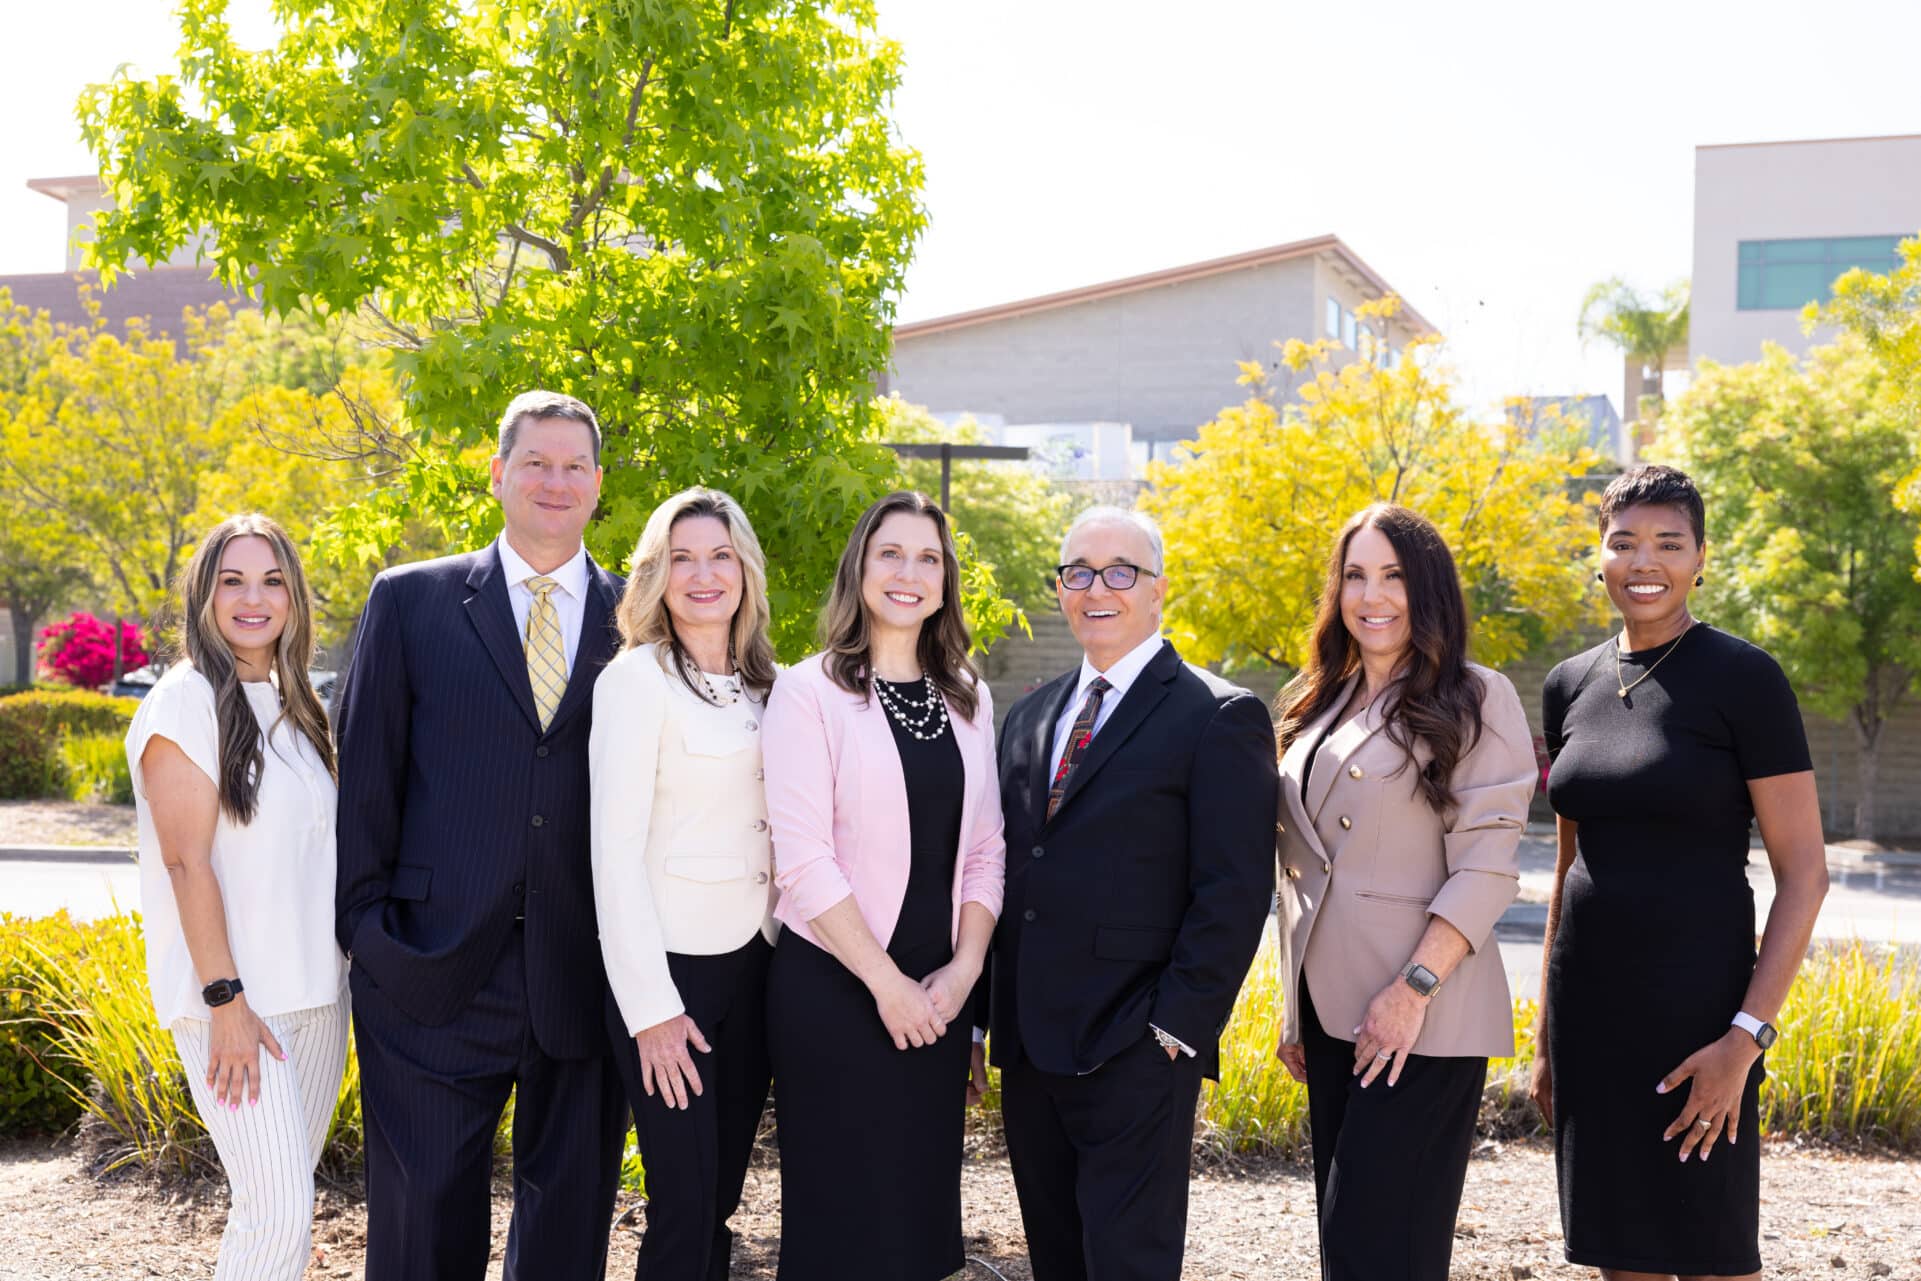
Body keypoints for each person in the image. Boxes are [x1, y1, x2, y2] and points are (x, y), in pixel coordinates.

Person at [334, 390, 629, 1281]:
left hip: (581, 973)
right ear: (498, 473)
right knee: (422, 1232)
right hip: (428, 971)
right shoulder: (410, 601)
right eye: (535, 461)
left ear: (597, 484)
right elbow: (366, 779)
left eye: (575, 464)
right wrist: (369, 935)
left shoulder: (640, 618)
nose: (555, 479)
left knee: (567, 1233)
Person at [1533, 464, 1829, 1281]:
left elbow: (1804, 876)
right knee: (1617, 1256)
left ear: (1700, 556)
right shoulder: (1568, 686)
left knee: (1711, 1256)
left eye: (1668, 542)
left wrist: (1745, 1039)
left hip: (1701, 1020)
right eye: (1622, 542)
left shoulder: (1744, 679)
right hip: (1589, 1014)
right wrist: (1546, 1036)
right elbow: (1568, 863)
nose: (1643, 561)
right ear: (1597, 555)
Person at [982, 505, 1277, 1281]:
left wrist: (1173, 1030)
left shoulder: (1217, 715)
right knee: (1057, 1261)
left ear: (1157, 590)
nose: (1096, 587)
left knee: (1127, 1265)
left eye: (1120, 571)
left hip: (1135, 1046)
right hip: (1030, 1045)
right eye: (1077, 571)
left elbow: (1235, 887)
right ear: (1060, 589)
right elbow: (1013, 867)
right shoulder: (1030, 714)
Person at [1271, 503, 1537, 1280]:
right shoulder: (1319, 698)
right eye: (1353, 575)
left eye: (1392, 575)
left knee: (1380, 1244)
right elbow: (1305, 868)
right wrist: (1295, 1007)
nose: (1370, 595)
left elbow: (1486, 864)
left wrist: (1412, 987)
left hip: (1423, 1013)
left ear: (1429, 590)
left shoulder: (1477, 697)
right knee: (1345, 1246)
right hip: (1332, 1014)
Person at [760, 490, 1006, 1281]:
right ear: (859, 569)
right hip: (836, 987)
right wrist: (885, 983)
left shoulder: (969, 695)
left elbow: (984, 850)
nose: (910, 572)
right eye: (891, 553)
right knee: (840, 1221)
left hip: (935, 999)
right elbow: (801, 861)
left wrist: (962, 973)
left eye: (928, 557)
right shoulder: (809, 692)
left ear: (945, 580)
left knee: (917, 1219)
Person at [127, 513, 348, 1280]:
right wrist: (226, 1001)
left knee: (277, 1212)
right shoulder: (184, 700)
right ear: (205, 594)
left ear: (294, 596)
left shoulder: (298, 705)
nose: (253, 598)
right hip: (234, 1007)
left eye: (272, 580)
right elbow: (187, 862)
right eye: (233, 580)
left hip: (319, 999)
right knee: (277, 1210)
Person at [589, 487, 781, 1280]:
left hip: (761, 961)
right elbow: (612, 853)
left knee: (721, 1195)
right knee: (683, 1191)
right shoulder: (635, 680)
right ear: (655, 576)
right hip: (673, 974)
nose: (703, 574)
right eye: (682, 558)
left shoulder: (771, 682)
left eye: (720, 555)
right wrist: (651, 1012)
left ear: (745, 570)